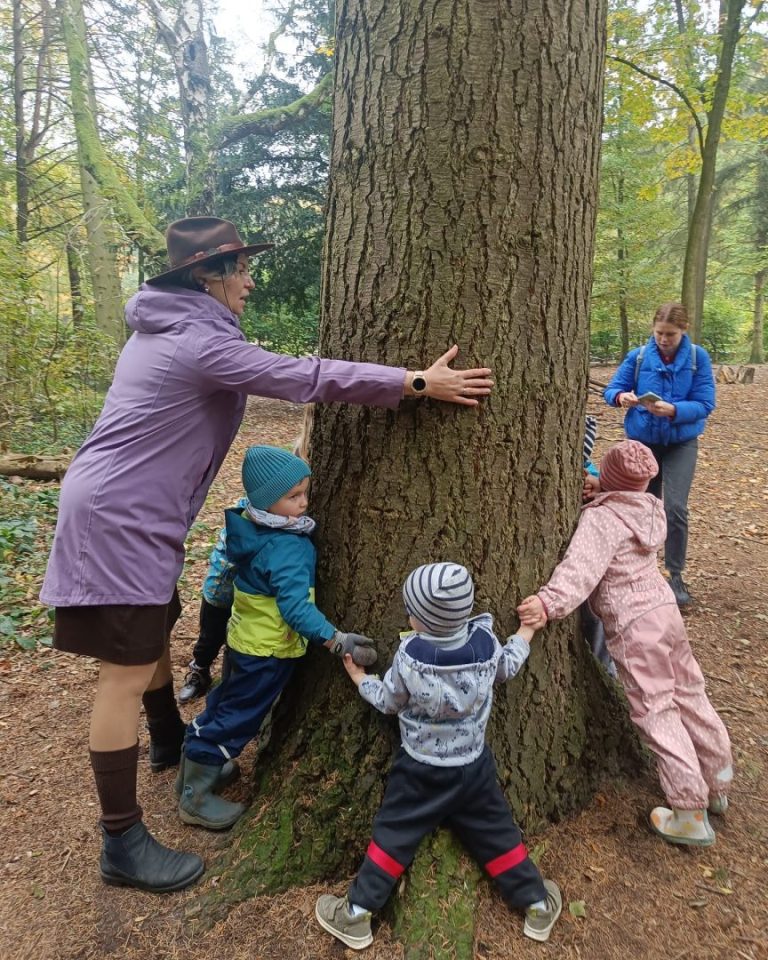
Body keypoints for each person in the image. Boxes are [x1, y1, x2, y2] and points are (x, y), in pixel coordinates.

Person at [39, 217, 494, 894]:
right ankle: (122, 840)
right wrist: (413, 383)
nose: (251, 280)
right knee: (123, 671)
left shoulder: (178, 328)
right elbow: (301, 376)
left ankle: (167, 739)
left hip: (139, 513)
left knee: (151, 633)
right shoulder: (194, 340)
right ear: (205, 276)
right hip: (119, 519)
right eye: (240, 268)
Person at [314, 563, 562, 950]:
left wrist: (362, 679)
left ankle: (357, 915)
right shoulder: (485, 645)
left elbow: (389, 702)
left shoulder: (410, 658)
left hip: (420, 770)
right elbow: (508, 666)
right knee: (497, 835)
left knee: (394, 835)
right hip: (473, 768)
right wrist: (526, 631)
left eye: (411, 611)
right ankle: (536, 904)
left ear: (422, 621)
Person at [518, 440, 733, 848]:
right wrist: (605, 489)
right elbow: (625, 500)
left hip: (636, 626)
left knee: (656, 710)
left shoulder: (603, 521)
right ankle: (718, 781)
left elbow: (580, 571)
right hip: (665, 611)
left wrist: (548, 604)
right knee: (691, 694)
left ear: (609, 478)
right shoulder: (649, 507)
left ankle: (689, 812)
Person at [178, 445, 378, 829]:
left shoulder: (253, 528)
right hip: (267, 649)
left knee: (224, 702)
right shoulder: (287, 547)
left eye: (305, 492)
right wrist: (336, 640)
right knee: (238, 717)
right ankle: (195, 797)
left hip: (243, 639)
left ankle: (196, 773)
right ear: (267, 501)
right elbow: (295, 609)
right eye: (293, 496)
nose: (304, 503)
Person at [603, 302, 715, 606]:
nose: (664, 339)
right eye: (659, 333)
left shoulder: (697, 358)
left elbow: (706, 403)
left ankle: (675, 575)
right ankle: (642, 569)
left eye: (671, 334)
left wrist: (675, 410)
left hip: (681, 443)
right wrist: (621, 396)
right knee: (643, 506)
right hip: (643, 444)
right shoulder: (638, 356)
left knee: (675, 507)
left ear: (684, 330)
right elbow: (612, 389)